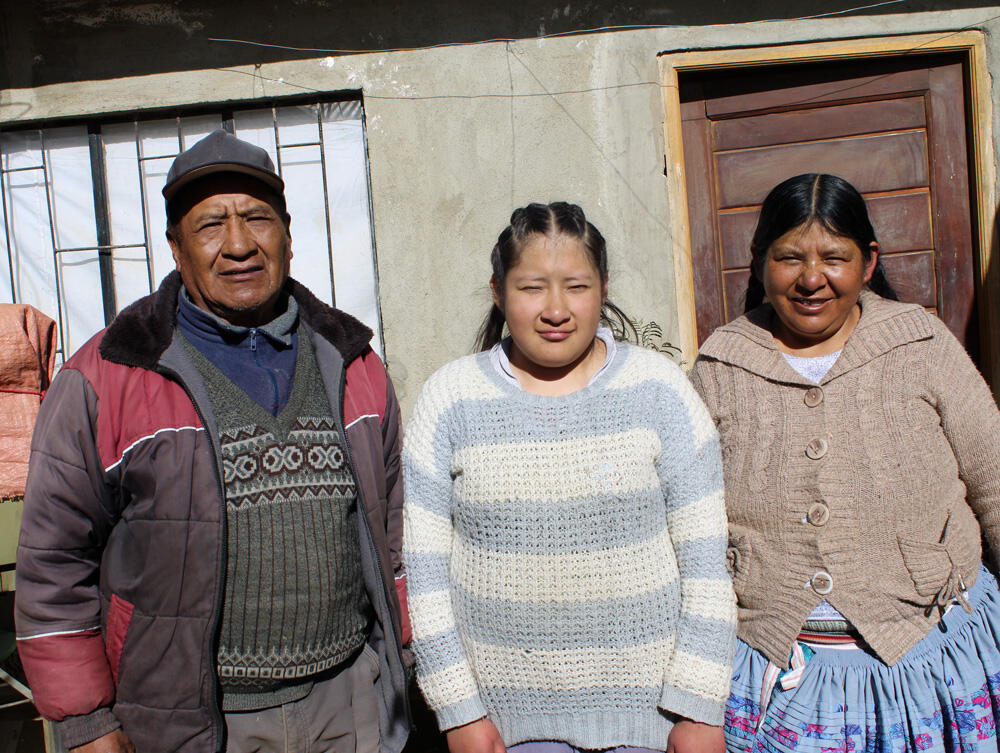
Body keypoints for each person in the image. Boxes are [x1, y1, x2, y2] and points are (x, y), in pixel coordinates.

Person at [14, 130, 410, 753]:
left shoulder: (353, 363)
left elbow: (397, 545)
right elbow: (52, 569)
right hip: (192, 720)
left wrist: (411, 666)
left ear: (286, 232)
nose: (238, 245)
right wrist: (87, 724)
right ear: (177, 248)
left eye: (257, 219)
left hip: (351, 699)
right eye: (210, 225)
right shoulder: (110, 375)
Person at [402, 202, 736, 753]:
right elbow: (428, 576)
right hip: (505, 733)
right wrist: (459, 712)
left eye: (576, 286)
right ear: (498, 291)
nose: (556, 309)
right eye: (532, 287)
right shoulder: (451, 399)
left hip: (653, 726)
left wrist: (698, 709)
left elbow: (705, 561)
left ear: (603, 288)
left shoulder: (659, 391)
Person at [690, 173, 1000, 753]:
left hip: (931, 658)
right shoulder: (720, 367)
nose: (812, 279)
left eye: (835, 257)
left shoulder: (919, 345)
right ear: (758, 263)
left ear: (867, 261)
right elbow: (686, 523)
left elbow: (994, 480)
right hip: (773, 674)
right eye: (789, 258)